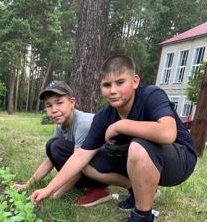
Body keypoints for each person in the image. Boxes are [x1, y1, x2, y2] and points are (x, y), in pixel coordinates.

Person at [30, 55, 197, 222]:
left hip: (179, 159)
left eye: (120, 82)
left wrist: (120, 126)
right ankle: (137, 193)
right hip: (135, 156)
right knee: (88, 163)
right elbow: (80, 156)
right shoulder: (103, 116)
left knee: (138, 146)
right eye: (106, 85)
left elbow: (167, 133)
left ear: (135, 81)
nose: (113, 90)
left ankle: (142, 217)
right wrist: (48, 189)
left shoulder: (151, 95)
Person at [13, 80, 111, 207]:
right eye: (49, 106)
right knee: (52, 146)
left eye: (59, 102)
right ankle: (83, 187)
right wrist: (27, 185)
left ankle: (98, 189)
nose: (54, 110)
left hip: (104, 171)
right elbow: (50, 160)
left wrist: (55, 193)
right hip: (86, 165)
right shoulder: (61, 125)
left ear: (72, 102)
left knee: (56, 146)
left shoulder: (83, 124)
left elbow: (78, 163)